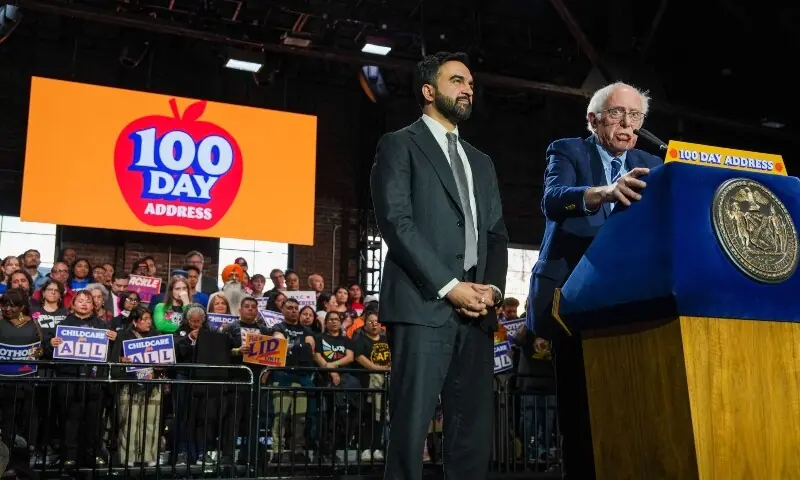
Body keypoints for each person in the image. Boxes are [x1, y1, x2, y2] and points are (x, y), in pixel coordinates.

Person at [370, 51, 509, 480]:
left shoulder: (481, 161)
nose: (468, 88)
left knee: (472, 433)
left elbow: (498, 235)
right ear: (429, 91)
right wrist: (450, 286)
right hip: (422, 306)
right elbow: (396, 222)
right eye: (457, 80)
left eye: (470, 82)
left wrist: (492, 291)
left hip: (477, 312)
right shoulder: (399, 144)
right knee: (411, 430)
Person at [527, 81, 662, 479]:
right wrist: (604, 191)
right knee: (580, 407)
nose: (627, 123)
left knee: (626, 403)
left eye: (635, 116)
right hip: (572, 293)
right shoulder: (567, 150)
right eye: (617, 113)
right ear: (593, 119)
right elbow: (553, 199)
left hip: (629, 296)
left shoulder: (652, 163)